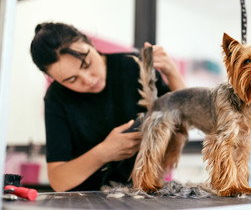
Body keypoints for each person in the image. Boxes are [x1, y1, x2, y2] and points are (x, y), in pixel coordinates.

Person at [30, 22, 186, 192]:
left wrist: (171, 71)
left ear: (90, 43)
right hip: (87, 199)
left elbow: (185, 117)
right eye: (71, 80)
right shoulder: (57, 98)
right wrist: (104, 152)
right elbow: (59, 180)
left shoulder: (134, 66)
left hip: (143, 192)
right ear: (56, 80)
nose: (88, 80)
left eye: (87, 64)